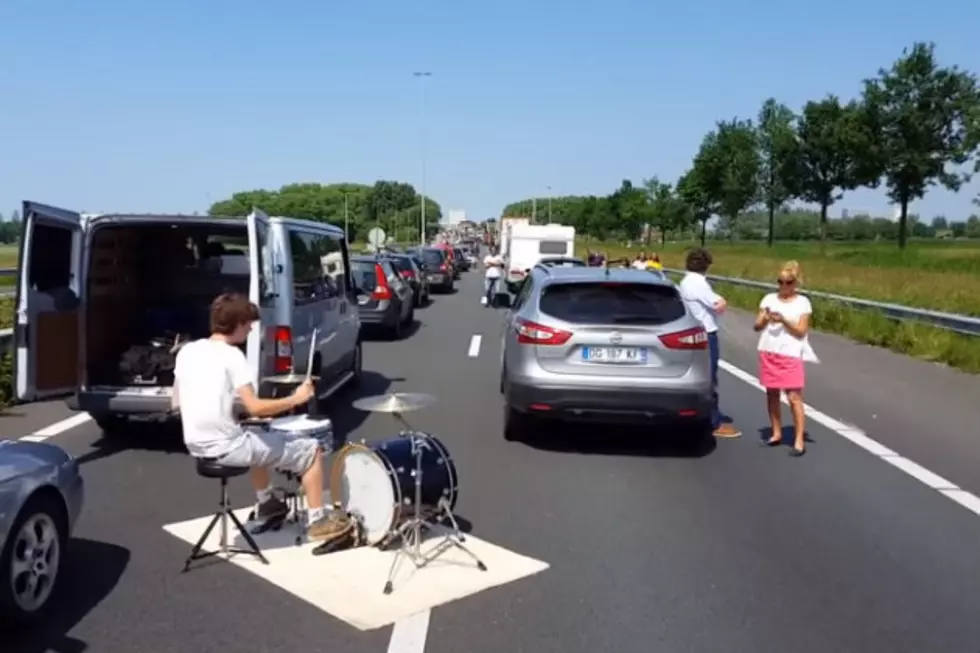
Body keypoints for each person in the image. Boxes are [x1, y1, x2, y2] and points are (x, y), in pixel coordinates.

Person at [171, 293, 345, 540]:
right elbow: (255, 407)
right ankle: (317, 522)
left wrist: (228, 415)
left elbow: (176, 401)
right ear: (238, 323)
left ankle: (267, 503)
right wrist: (296, 398)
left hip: (196, 444)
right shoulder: (232, 356)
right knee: (311, 450)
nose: (251, 329)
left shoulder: (188, 351)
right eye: (249, 324)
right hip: (227, 446)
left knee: (257, 434)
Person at [754, 261, 815, 457]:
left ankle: (798, 440)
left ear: (795, 283)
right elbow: (756, 326)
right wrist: (763, 319)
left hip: (790, 353)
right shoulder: (769, 299)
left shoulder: (802, 302)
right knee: (771, 394)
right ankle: (776, 432)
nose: (783, 286)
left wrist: (784, 321)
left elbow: (801, 331)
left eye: (787, 282)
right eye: (779, 282)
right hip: (769, 350)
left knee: (793, 397)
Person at [678, 248, 741, 438]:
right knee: (710, 379)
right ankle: (714, 422)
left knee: (700, 376)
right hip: (707, 333)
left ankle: (705, 414)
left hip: (695, 331)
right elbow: (718, 305)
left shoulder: (685, 281)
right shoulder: (699, 283)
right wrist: (722, 301)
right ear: (706, 265)